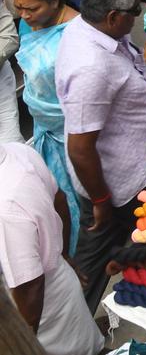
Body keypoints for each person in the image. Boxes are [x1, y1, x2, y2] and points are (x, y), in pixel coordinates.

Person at [56, 0, 146, 311]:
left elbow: (144, 69)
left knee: (143, 246)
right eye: (133, 13)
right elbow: (80, 148)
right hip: (116, 188)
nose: (138, 18)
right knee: (95, 264)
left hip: (137, 172)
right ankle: (71, 332)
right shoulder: (91, 67)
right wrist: (102, 200)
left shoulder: (99, 31)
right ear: (112, 17)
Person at [0, 142, 103, 355]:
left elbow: (30, 288)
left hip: (43, 314)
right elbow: (60, 200)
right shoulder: (18, 152)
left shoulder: (6, 209)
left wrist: (21, 345)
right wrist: (63, 253)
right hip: (60, 284)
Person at [12, 0, 83, 251]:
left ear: (54, 0)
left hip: (74, 133)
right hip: (46, 130)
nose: (25, 16)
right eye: (19, 9)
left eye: (31, 8)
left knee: (82, 197)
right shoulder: (30, 25)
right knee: (58, 198)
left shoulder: (77, 32)